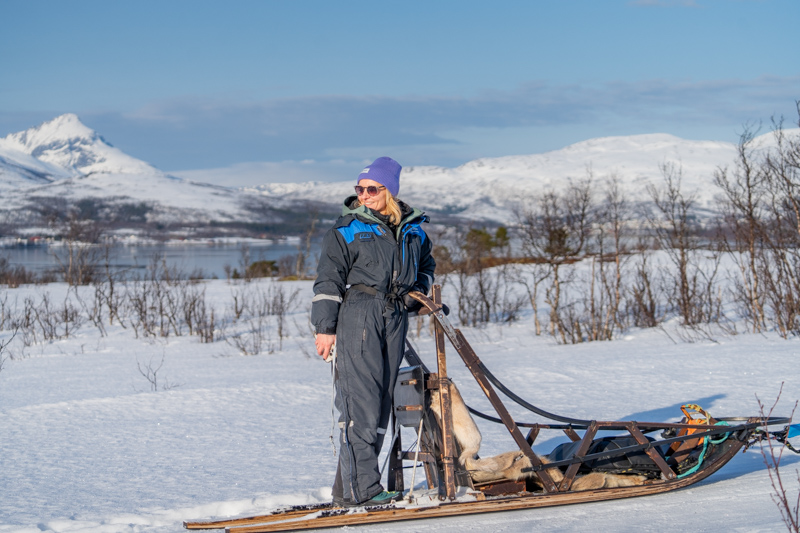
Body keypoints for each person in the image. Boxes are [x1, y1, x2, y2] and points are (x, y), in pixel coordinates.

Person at [312, 156, 436, 507]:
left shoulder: (413, 230)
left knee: (382, 402)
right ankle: (362, 491)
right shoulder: (347, 229)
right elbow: (328, 280)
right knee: (359, 403)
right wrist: (325, 328)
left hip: (394, 316)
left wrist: (418, 292)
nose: (364, 195)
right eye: (359, 188)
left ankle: (350, 488)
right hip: (359, 315)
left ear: (390, 191)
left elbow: (426, 265)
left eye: (372, 188)